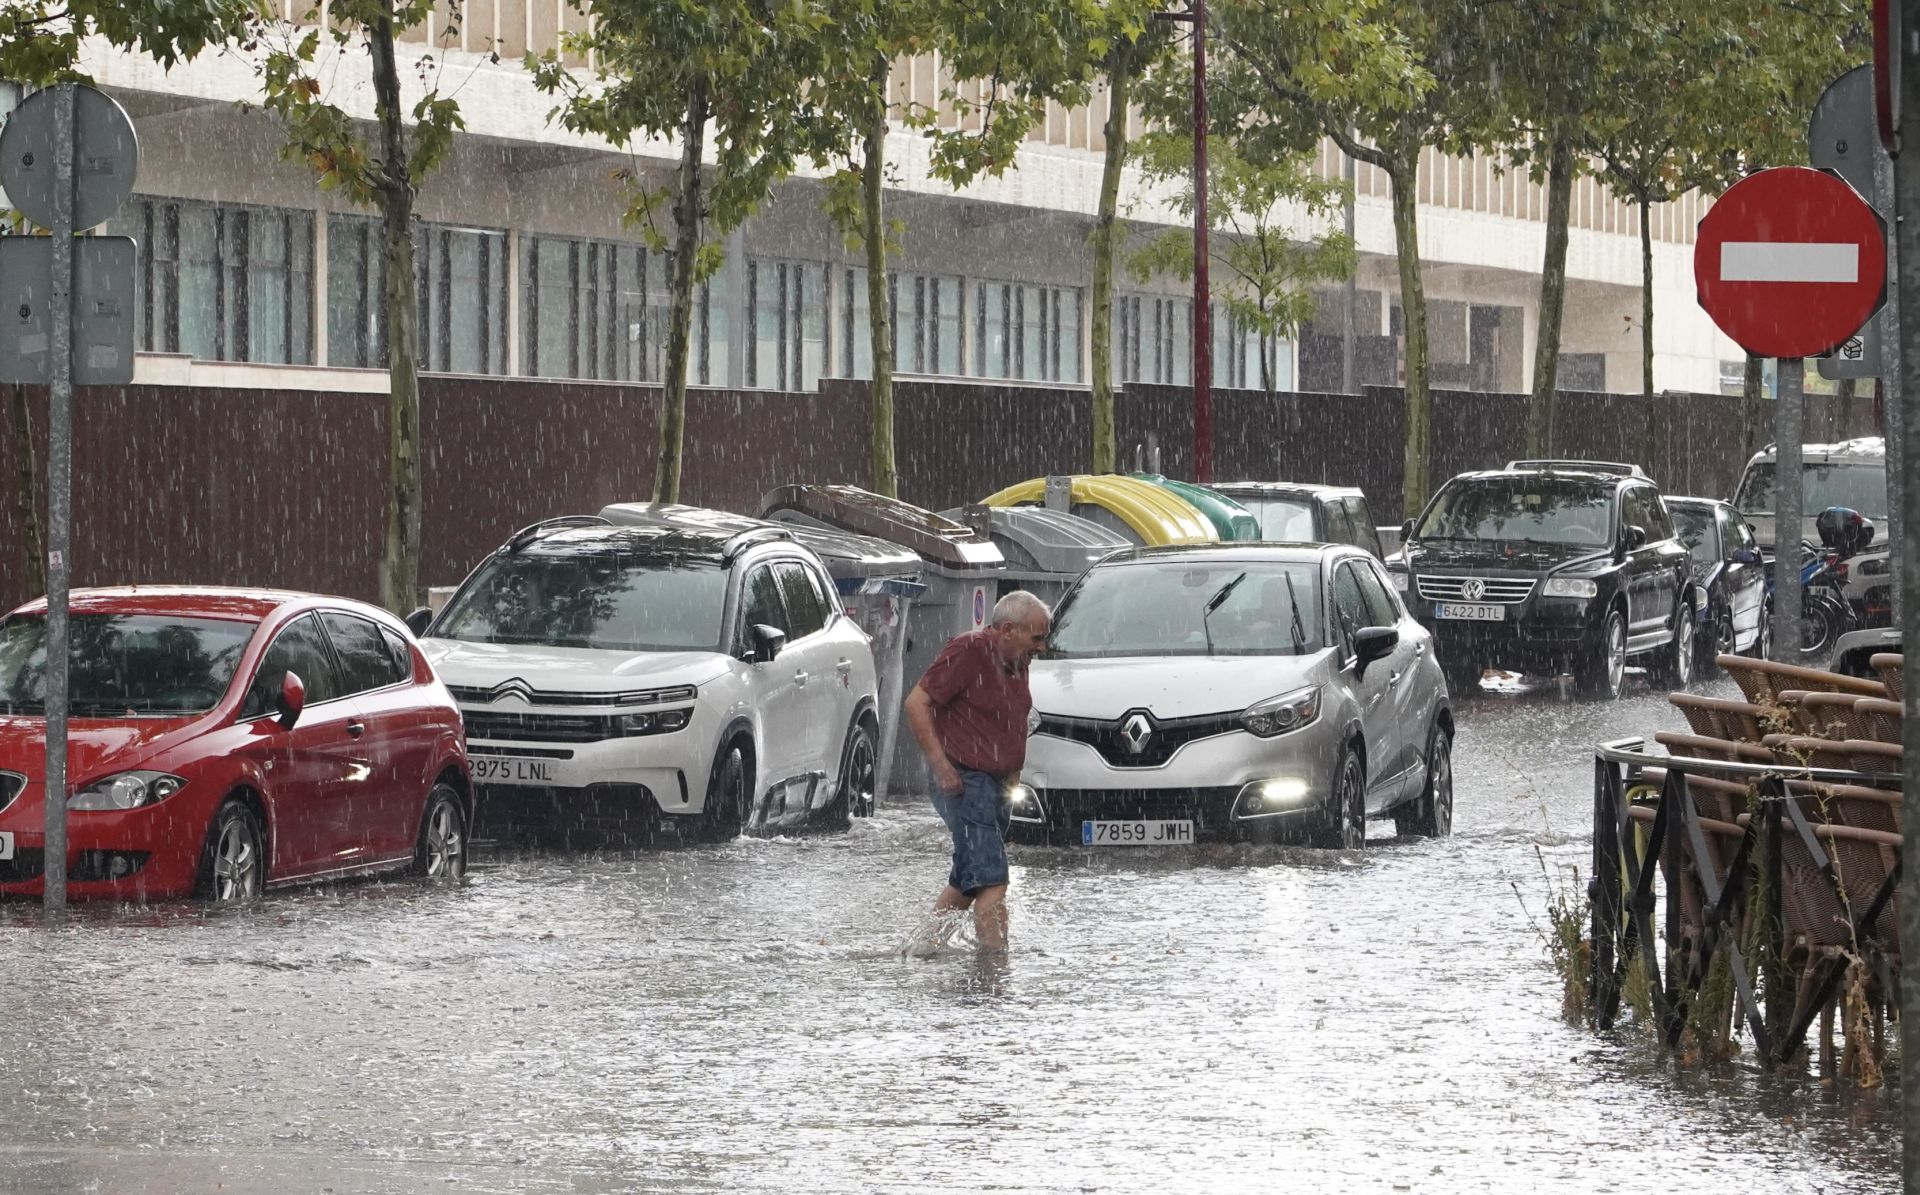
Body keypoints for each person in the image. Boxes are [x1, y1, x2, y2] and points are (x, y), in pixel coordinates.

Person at [901, 590, 1050, 955]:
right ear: (1008, 630)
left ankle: (921, 951)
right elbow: (916, 704)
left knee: (969, 878)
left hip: (995, 785)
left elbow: (1012, 721)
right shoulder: (968, 650)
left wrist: (1013, 776)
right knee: (993, 880)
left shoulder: (1018, 658)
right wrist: (941, 768)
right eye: (1037, 637)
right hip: (966, 781)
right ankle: (995, 973)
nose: (1042, 647)